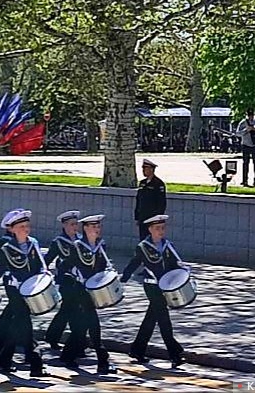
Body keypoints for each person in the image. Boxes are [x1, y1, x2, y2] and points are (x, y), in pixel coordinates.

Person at [120, 214, 186, 368]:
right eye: (157, 228)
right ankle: (175, 354)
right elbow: (135, 262)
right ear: (150, 230)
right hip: (152, 286)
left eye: (163, 228)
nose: (161, 231)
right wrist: (125, 276)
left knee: (151, 319)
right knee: (164, 320)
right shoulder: (143, 247)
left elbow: (174, 263)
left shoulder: (167, 245)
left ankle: (137, 349)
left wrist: (181, 270)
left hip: (164, 287)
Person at [0, 209, 47, 377]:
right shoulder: (7, 248)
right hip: (14, 288)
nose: (25, 229)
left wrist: (44, 274)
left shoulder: (33, 243)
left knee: (19, 324)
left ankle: (3, 359)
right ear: (12, 229)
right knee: (24, 322)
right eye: (21, 226)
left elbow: (40, 264)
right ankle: (35, 362)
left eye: (27, 225)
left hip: (29, 289)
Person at [62, 214, 116, 374]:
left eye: (98, 227)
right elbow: (66, 266)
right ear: (85, 228)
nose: (97, 230)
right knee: (93, 325)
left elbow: (102, 266)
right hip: (80, 291)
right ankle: (103, 361)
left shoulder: (101, 245)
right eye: (93, 227)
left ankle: (68, 355)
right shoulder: (77, 246)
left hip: (93, 290)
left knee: (81, 327)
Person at [43, 210, 81, 350]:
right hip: (66, 281)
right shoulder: (58, 242)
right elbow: (47, 260)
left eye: (76, 224)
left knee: (68, 310)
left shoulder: (81, 239)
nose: (75, 227)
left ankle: (54, 336)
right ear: (64, 225)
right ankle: (76, 342)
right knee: (70, 309)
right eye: (71, 224)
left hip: (80, 281)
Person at [134, 159, 166, 241]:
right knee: (143, 239)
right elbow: (139, 200)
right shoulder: (142, 183)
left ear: (151, 169)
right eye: (143, 168)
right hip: (143, 216)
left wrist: (158, 218)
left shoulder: (158, 183)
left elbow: (161, 202)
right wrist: (137, 216)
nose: (143, 171)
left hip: (152, 217)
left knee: (153, 239)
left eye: (145, 168)